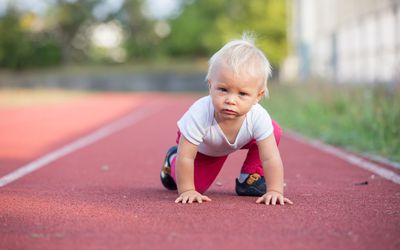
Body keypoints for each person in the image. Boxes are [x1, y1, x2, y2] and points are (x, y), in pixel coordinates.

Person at [160, 34, 293, 206]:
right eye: (223, 89)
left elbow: (270, 158)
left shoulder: (258, 117)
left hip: (237, 138)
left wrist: (275, 190)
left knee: (273, 130)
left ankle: (249, 178)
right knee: (195, 186)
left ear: (258, 96)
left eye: (242, 94)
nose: (231, 100)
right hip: (203, 148)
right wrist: (187, 190)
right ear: (210, 85)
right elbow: (187, 157)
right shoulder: (199, 114)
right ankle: (172, 160)